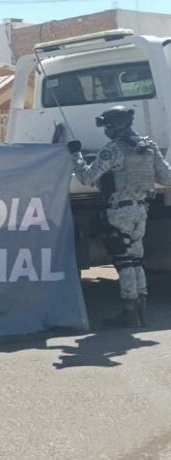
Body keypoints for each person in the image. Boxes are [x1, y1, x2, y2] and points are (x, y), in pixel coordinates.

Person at [68, 106, 171, 328]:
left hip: (119, 211)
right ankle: (140, 309)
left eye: (107, 126)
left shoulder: (112, 149)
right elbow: (167, 177)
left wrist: (75, 155)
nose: (106, 130)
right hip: (141, 209)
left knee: (123, 262)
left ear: (114, 125)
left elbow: (87, 177)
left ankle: (129, 311)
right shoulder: (148, 146)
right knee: (135, 260)